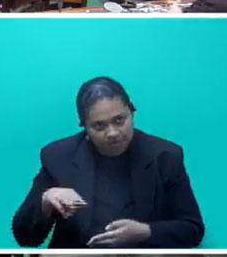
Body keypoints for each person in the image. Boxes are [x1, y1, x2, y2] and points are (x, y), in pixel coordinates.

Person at [11, 77, 204, 249]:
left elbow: (193, 230)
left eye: (119, 120)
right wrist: (46, 202)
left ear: (131, 111)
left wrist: (145, 232)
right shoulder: (58, 157)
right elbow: (25, 238)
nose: (112, 133)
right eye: (99, 126)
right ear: (84, 125)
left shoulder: (165, 157)